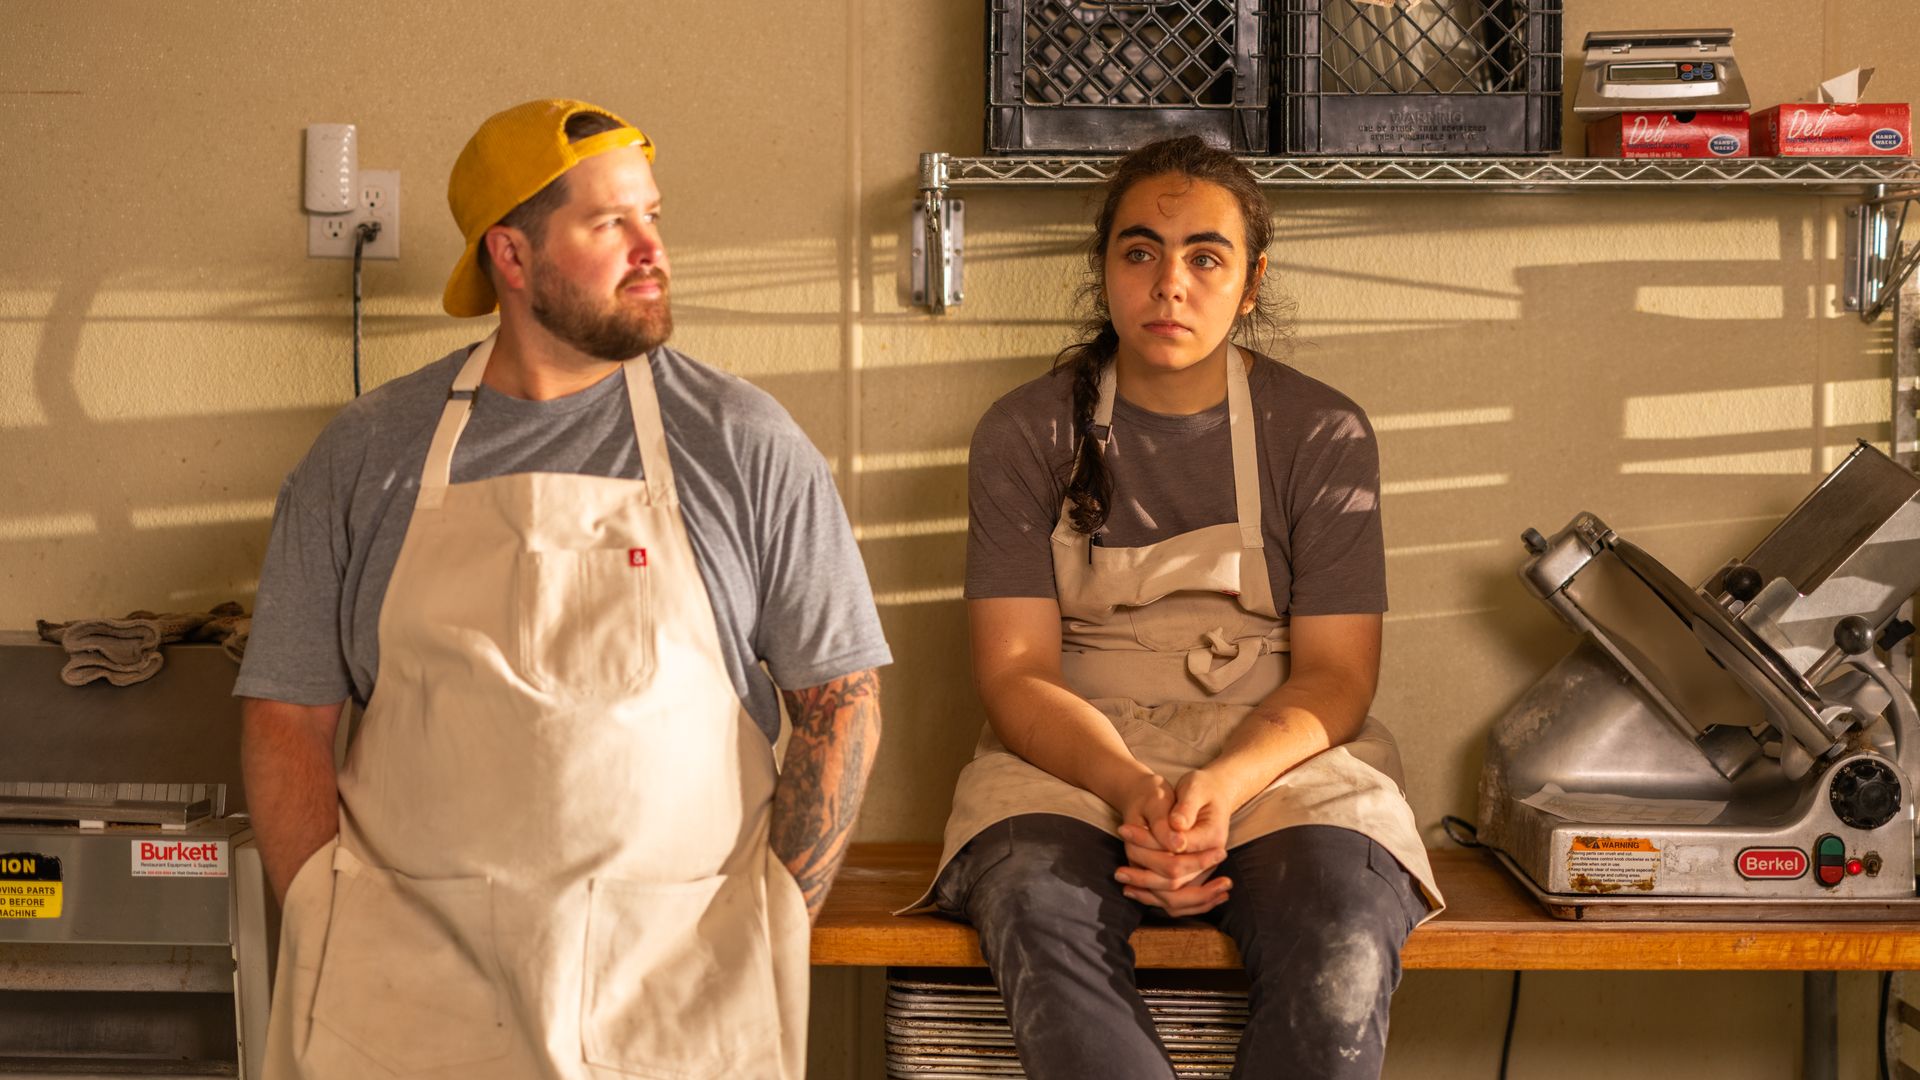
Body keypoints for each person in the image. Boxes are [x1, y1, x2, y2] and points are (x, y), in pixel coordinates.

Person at [236, 98, 890, 1080]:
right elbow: (287, 718)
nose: (651, 249)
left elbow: (841, 705)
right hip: (410, 996)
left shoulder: (745, 444)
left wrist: (773, 923)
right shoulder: (367, 455)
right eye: (609, 223)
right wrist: (332, 925)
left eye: (654, 216)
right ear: (510, 255)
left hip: (678, 991)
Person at [913, 136, 1443, 1079]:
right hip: (1072, 757)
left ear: (1251, 281)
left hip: (1279, 759)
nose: (1170, 285)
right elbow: (1015, 673)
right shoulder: (1024, 432)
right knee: (1037, 905)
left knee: (1343, 924)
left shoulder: (1319, 432)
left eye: (1206, 255)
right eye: (1140, 251)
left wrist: (1220, 790)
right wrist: (1133, 791)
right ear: (1105, 268)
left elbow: (1338, 676)